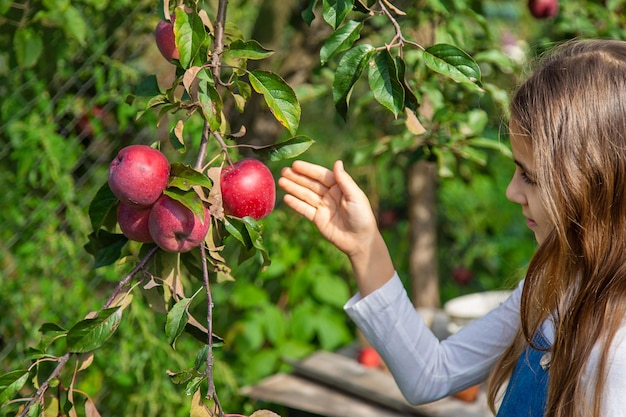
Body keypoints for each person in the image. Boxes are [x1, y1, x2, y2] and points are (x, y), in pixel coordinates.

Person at [277, 38, 626, 417]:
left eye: (531, 177)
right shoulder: (555, 283)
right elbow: (431, 373)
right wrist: (365, 245)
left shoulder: (617, 354)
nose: (511, 191)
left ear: (596, 185)